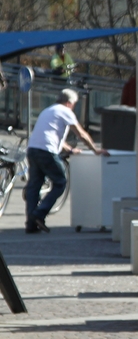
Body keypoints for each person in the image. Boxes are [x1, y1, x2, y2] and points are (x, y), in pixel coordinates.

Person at [24, 88, 106, 233]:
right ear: (69, 103)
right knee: (60, 182)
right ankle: (39, 213)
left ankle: (31, 223)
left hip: (33, 149)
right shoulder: (65, 111)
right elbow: (81, 134)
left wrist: (69, 149)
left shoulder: (48, 111)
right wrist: (95, 149)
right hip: (47, 151)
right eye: (74, 104)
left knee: (34, 185)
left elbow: (51, 135)